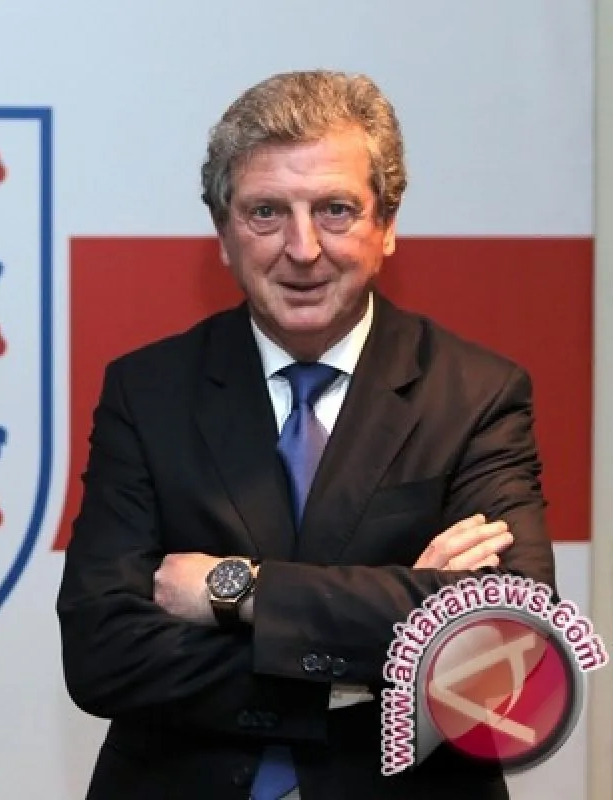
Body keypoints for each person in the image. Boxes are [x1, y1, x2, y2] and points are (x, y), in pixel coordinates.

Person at [55, 69, 557, 800]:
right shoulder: (148, 390)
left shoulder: (477, 393)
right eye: (266, 212)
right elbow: (102, 654)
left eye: (335, 210)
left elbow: (511, 633)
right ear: (223, 233)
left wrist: (238, 592)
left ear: (387, 226)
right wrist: (374, 659)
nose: (302, 247)